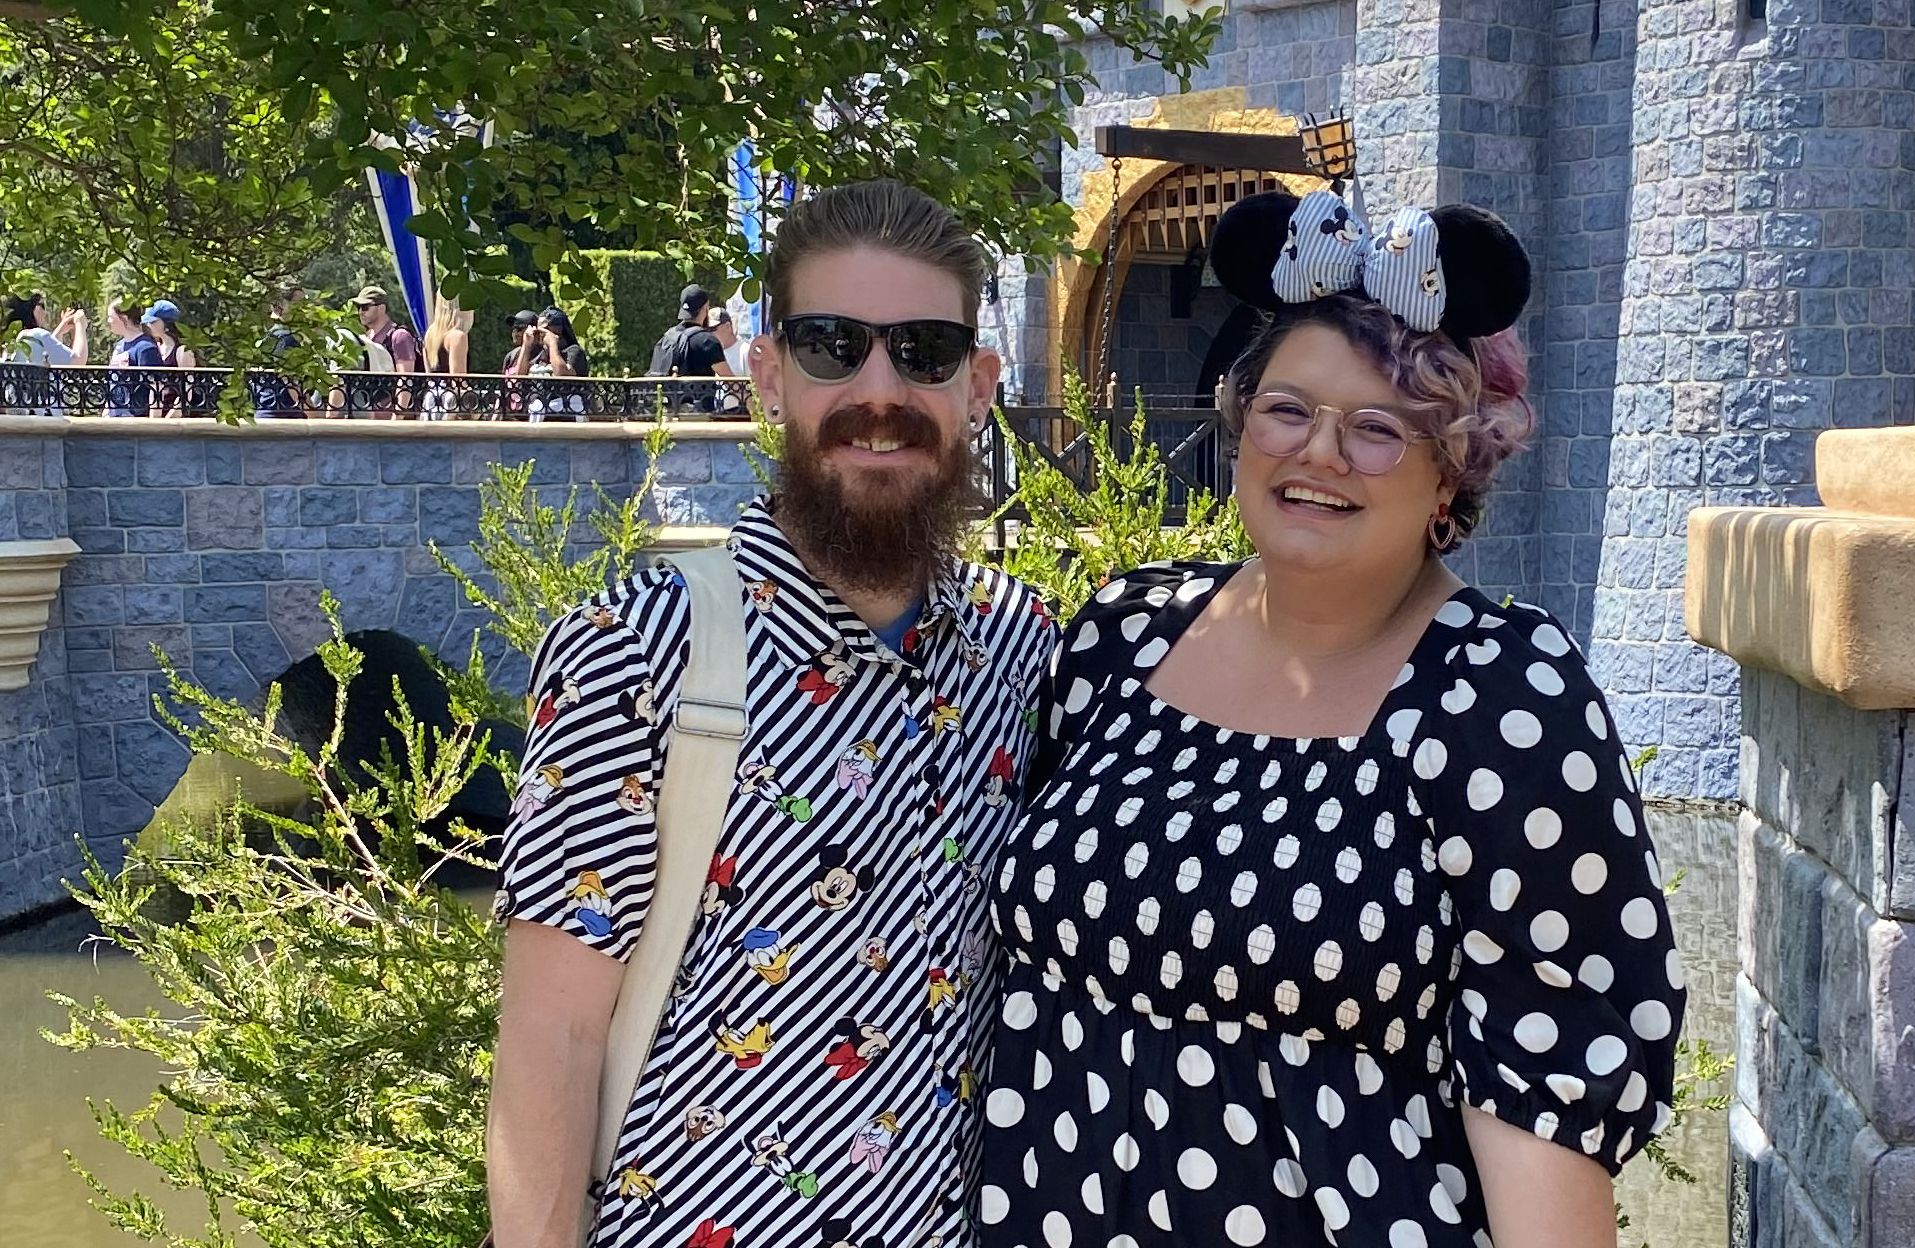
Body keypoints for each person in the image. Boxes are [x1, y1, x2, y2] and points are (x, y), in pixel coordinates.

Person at [978, 190, 1686, 1248]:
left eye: (1377, 430)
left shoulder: (1504, 695)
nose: (1318, 453)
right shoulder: (1120, 636)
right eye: (1289, 409)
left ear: (1454, 466)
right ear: (1242, 420)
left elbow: (1546, 1082)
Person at [485, 179, 1055, 1248]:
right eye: (833, 346)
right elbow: (550, 1041)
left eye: (925, 352)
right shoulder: (635, 653)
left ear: (978, 385)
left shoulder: (1024, 648)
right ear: (765, 374)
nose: (878, 391)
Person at [5, 292, 89, 416]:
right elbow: (78, 361)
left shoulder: (13, 339)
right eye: (42, 306)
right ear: (33, 308)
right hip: (43, 417)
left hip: (17, 416)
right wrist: (80, 324)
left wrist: (61, 328)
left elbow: (42, 354)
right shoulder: (37, 335)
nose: (45, 312)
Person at [353, 285, 420, 417]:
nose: (360, 312)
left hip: (396, 418)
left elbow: (405, 379)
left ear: (381, 308)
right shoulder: (365, 337)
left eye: (365, 307)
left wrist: (398, 416)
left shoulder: (399, 336)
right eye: (358, 307)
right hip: (370, 414)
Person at [522, 306, 591, 421]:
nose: (539, 334)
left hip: (566, 413)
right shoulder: (537, 353)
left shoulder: (573, 351)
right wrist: (526, 346)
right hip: (538, 412)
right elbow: (517, 378)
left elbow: (562, 374)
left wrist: (553, 344)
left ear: (557, 330)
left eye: (543, 329)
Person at [251, 286, 309, 419]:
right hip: (284, 414)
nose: (303, 308)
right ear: (279, 307)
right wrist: (311, 412)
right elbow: (290, 380)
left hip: (264, 409)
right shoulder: (287, 339)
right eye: (297, 303)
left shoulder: (268, 337)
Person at [102, 299, 165, 417]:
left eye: (111, 317)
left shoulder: (146, 348)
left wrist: (154, 423)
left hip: (135, 419)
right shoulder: (120, 345)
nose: (108, 321)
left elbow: (156, 387)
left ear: (124, 319)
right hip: (115, 417)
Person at [422, 295, 476, 419]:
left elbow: (429, 375)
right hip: (450, 403)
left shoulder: (430, 334)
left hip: (432, 399)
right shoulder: (457, 337)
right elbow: (458, 381)